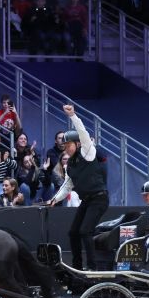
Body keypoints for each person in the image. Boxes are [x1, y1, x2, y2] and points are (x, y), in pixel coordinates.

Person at [48, 104, 109, 270]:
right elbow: (67, 186)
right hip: (87, 201)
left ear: (77, 144)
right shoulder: (69, 165)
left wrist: (73, 116)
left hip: (99, 198)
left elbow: (83, 133)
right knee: (73, 232)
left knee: (85, 231)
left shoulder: (87, 153)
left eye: (69, 145)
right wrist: (54, 200)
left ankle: (92, 267)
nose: (66, 148)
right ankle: (77, 266)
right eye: (64, 146)